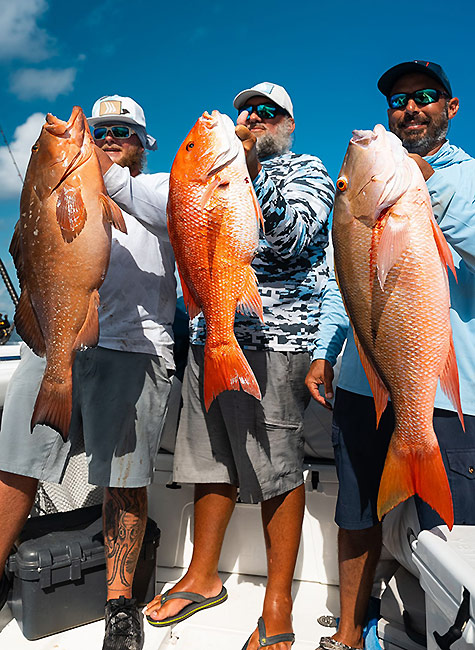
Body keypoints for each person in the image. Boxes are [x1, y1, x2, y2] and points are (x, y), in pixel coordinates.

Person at [145, 82, 335, 650]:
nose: (252, 118)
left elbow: (298, 236)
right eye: (245, 112)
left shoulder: (307, 170)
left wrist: (241, 179)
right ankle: (203, 576)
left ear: (289, 123)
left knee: (278, 466)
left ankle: (277, 603)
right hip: (214, 336)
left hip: (278, 339)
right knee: (210, 458)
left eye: (266, 111)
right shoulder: (208, 178)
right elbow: (187, 235)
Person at [305, 61, 475, 650]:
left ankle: (445, 636)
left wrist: (424, 194)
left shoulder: (465, 180)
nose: (409, 109)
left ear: (450, 108)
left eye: (425, 97)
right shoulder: (364, 203)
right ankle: (349, 632)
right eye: (398, 102)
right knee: (354, 512)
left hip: (448, 391)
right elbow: (341, 279)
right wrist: (328, 349)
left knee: (448, 530)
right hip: (361, 378)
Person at [0, 95, 176, 650]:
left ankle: (120, 603)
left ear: (145, 144)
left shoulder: (170, 188)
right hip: (53, 340)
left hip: (136, 349)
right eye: (101, 130)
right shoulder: (57, 187)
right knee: (15, 464)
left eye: (125, 130)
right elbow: (26, 250)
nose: (109, 138)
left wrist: (108, 181)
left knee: (124, 481)